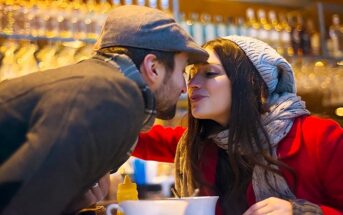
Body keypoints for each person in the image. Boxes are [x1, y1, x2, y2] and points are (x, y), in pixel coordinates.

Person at [0, 5, 208, 215]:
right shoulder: (111, 97)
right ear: (153, 68)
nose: (184, 87)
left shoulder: (96, 86)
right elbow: (20, 202)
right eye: (182, 71)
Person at [133, 36, 343, 215]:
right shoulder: (201, 144)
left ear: (251, 82)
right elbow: (127, 136)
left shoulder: (320, 137)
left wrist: (301, 211)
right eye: (191, 73)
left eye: (209, 73)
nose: (192, 83)